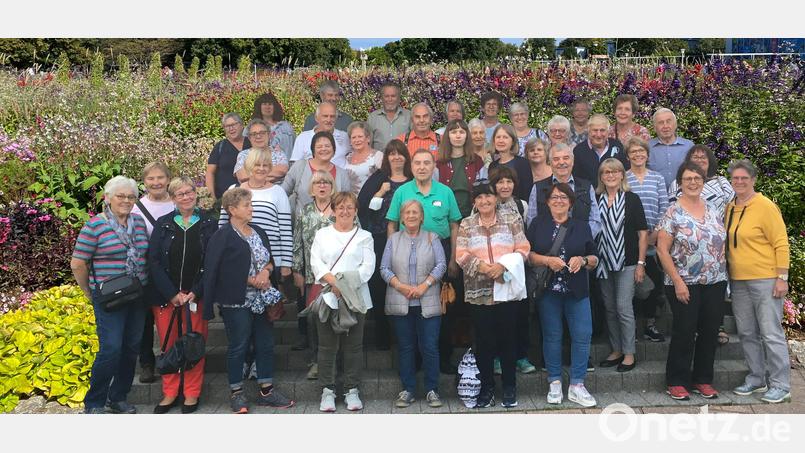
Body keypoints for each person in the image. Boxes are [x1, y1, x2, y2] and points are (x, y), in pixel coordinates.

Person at [203, 187, 295, 413]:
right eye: (247, 205)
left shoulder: (258, 231)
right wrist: (250, 280)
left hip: (262, 300)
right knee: (238, 346)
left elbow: (269, 260)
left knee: (265, 344)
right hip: (236, 302)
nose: (251, 208)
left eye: (250, 204)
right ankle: (236, 393)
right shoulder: (221, 236)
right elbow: (216, 270)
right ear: (232, 210)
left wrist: (265, 273)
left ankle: (267, 390)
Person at [71, 176, 150, 414]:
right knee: (111, 348)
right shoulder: (95, 225)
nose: (126, 201)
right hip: (109, 298)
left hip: (137, 296)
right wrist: (89, 291)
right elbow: (78, 263)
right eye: (121, 196)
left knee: (131, 347)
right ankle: (95, 401)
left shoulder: (137, 221)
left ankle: (118, 397)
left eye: (131, 196)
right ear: (108, 198)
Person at [386, 149, 462, 373]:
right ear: (411, 167)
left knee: (442, 309)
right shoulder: (402, 192)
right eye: (417, 163)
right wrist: (392, 256)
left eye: (426, 163)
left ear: (433, 167)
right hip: (407, 255)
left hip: (441, 253)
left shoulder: (445, 192)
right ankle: (414, 362)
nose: (421, 167)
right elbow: (391, 223)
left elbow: (454, 225)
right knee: (410, 307)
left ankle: (443, 358)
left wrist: (453, 258)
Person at [656, 162, 728, 401]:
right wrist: (677, 281)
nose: (693, 182)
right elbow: (663, 250)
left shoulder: (714, 210)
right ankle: (676, 381)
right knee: (685, 332)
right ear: (680, 183)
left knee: (709, 332)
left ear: (703, 181)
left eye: (697, 178)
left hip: (715, 282)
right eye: (688, 178)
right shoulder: (672, 212)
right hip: (684, 282)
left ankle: (703, 379)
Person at [456, 183, 530, 408]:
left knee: (508, 340)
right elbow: (461, 254)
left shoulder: (511, 221)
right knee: (484, 343)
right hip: (479, 291)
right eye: (479, 198)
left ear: (495, 198)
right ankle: (487, 388)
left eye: (488, 196)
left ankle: (509, 387)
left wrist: (503, 267)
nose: (485, 201)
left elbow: (524, 248)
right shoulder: (467, 224)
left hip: (506, 289)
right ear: (475, 202)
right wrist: (484, 268)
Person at [147, 177, 217, 414]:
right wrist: (171, 293)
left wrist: (196, 292)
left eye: (190, 192)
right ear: (173, 198)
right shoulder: (163, 223)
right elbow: (154, 261)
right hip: (168, 298)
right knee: (168, 345)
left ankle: (191, 393)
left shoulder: (209, 222)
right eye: (180, 194)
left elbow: (212, 262)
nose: (186, 197)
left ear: (195, 194)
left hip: (196, 297)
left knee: (194, 344)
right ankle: (169, 392)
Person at [527, 183, 599, 407]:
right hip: (548, 290)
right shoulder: (538, 224)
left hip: (576, 290)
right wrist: (547, 260)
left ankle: (577, 384)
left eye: (563, 198)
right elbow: (528, 255)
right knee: (552, 335)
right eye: (554, 197)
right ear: (547, 202)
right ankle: (555, 381)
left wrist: (583, 260)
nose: (559, 201)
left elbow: (594, 258)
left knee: (582, 334)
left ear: (570, 203)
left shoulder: (581, 226)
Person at [726, 159, 792, 404]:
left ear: (753, 180)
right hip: (739, 280)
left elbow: (781, 242)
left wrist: (782, 277)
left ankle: (781, 384)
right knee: (746, 332)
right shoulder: (730, 206)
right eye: (735, 179)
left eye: (745, 178)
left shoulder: (764, 206)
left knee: (770, 332)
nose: (740, 182)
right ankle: (756, 377)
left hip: (765, 278)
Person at [309, 192, 375, 412]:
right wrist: (333, 283)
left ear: (356, 210)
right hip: (329, 296)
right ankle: (327, 391)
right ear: (333, 210)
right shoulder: (322, 234)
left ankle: (351, 390)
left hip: (357, 298)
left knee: (353, 347)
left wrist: (344, 286)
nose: (345, 211)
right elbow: (316, 263)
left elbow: (367, 268)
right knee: (327, 346)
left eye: (350, 207)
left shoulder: (365, 236)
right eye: (340, 207)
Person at [381, 199, 447, 408]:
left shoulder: (432, 237)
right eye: (407, 212)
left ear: (421, 217)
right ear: (401, 217)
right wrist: (400, 286)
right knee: (406, 347)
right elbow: (384, 268)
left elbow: (441, 265)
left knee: (429, 347)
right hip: (401, 301)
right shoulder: (393, 239)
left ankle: (432, 390)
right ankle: (408, 389)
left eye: (415, 212)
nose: (411, 216)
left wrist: (424, 285)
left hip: (428, 300)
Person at [292, 171, 359, 378]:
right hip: (314, 276)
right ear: (311, 188)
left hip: (341, 277)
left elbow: (357, 237)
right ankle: (317, 362)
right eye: (318, 183)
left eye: (326, 182)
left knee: (339, 317)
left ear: (332, 186)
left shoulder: (341, 210)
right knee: (315, 318)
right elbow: (298, 242)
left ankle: (339, 362)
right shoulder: (305, 211)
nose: (322, 186)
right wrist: (297, 270)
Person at [357, 140, 413, 351]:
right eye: (392, 154)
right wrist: (380, 193)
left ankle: (404, 338)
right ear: (387, 158)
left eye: (400, 154)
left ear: (406, 157)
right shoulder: (379, 179)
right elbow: (364, 209)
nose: (396, 157)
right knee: (380, 286)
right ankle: (382, 335)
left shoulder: (413, 181)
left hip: (409, 241)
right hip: (380, 240)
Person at [594, 159, 648, 373]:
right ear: (601, 176)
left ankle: (629, 353)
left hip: (628, 262)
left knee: (623, 307)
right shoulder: (596, 198)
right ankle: (616, 349)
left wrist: (641, 264)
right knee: (609, 308)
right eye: (606, 172)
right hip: (602, 262)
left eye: (615, 171)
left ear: (622, 175)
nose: (610, 175)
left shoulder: (632, 199)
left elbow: (642, 233)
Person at [131, 162, 175, 384]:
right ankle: (147, 362)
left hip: (172, 271)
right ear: (144, 181)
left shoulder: (177, 202)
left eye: (160, 178)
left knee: (171, 317)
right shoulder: (136, 206)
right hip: (144, 270)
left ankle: (173, 358)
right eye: (151, 179)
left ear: (168, 179)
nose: (156, 182)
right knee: (145, 318)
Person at [488, 166, 535, 374]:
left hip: (516, 267)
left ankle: (521, 357)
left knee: (519, 313)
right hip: (493, 269)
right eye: (500, 182)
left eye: (509, 182)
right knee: (496, 316)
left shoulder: (521, 205)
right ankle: (497, 357)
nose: (505, 186)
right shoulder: (485, 203)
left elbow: (527, 233)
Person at [624, 137, 669, 342]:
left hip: (654, 239)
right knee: (631, 285)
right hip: (629, 241)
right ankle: (631, 326)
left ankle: (650, 325)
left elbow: (665, 208)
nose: (637, 155)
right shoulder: (624, 178)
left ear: (647, 154)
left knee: (653, 283)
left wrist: (654, 235)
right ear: (628, 156)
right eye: (633, 152)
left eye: (641, 151)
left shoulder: (657, 178)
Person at [527, 143, 601, 239]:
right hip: (547, 250)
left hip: (580, 248)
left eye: (566, 158)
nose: (561, 162)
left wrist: (579, 239)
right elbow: (531, 220)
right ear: (550, 163)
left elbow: (595, 220)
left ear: (573, 161)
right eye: (556, 159)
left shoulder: (586, 187)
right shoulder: (538, 188)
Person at [282, 131, 357, 215]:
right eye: (319, 146)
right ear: (313, 150)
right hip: (302, 224)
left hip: (334, 225)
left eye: (327, 146)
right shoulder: (299, 167)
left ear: (334, 150)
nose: (324, 149)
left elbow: (346, 202)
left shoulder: (342, 174)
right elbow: (283, 193)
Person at [436, 119, 487, 218]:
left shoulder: (477, 161)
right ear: (448, 136)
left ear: (467, 135)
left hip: (472, 215)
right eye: (454, 132)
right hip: (446, 215)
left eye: (462, 132)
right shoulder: (439, 164)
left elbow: (484, 188)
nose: (458, 136)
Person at [668, 144, 734, 216]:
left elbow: (734, 208)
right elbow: (671, 211)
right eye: (695, 157)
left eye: (703, 157)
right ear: (689, 161)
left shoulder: (721, 182)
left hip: (719, 225)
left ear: (709, 161)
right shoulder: (677, 182)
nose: (699, 160)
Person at [206, 113, 251, 202]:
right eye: (227, 126)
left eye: (234, 124)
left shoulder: (252, 143)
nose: (231, 128)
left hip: (250, 197)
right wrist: (212, 197)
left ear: (242, 125)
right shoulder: (220, 147)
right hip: (225, 200)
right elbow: (210, 172)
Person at [290, 102, 351, 167]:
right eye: (325, 116)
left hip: (340, 176)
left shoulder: (345, 137)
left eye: (332, 116)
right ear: (316, 118)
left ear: (336, 118)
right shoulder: (303, 138)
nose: (329, 120)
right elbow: (295, 166)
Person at [573, 114, 628, 187]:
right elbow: (577, 178)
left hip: (614, 193)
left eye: (602, 130)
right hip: (589, 196)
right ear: (589, 131)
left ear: (608, 131)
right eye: (595, 130)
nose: (598, 135)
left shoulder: (617, 146)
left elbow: (625, 171)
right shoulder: (579, 150)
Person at [648, 107, 694, 190]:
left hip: (683, 195)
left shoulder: (689, 146)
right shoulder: (647, 148)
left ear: (675, 124)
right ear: (654, 127)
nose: (665, 126)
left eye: (668, 121)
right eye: (661, 123)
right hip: (656, 196)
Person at [233, 119, 290, 185]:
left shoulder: (278, 153)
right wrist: (270, 177)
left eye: (262, 133)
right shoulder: (243, 155)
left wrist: (253, 178)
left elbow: (282, 170)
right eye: (254, 134)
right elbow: (242, 176)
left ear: (269, 135)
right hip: (250, 193)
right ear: (249, 138)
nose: (258, 136)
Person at [488, 124, 533, 202]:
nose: (501, 140)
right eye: (498, 137)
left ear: (513, 141)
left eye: (505, 137)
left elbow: (527, 192)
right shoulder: (492, 166)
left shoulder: (523, 164)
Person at [248, 92, 296, 160]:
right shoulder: (251, 127)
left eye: (270, 104)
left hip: (288, 168)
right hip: (262, 167)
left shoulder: (286, 126)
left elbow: (295, 147)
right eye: (264, 104)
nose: (267, 107)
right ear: (259, 107)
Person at [367, 81, 412, 150]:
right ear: (382, 98)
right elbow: (368, 144)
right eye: (386, 96)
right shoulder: (373, 117)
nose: (390, 99)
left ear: (399, 97)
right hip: (379, 160)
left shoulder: (409, 116)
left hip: (403, 159)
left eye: (393, 96)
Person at [343, 121, 384, 190]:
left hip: (370, 198)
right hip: (349, 199)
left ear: (368, 138)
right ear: (350, 141)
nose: (357, 140)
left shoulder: (378, 156)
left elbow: (384, 180)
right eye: (353, 137)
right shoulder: (347, 157)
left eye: (360, 136)